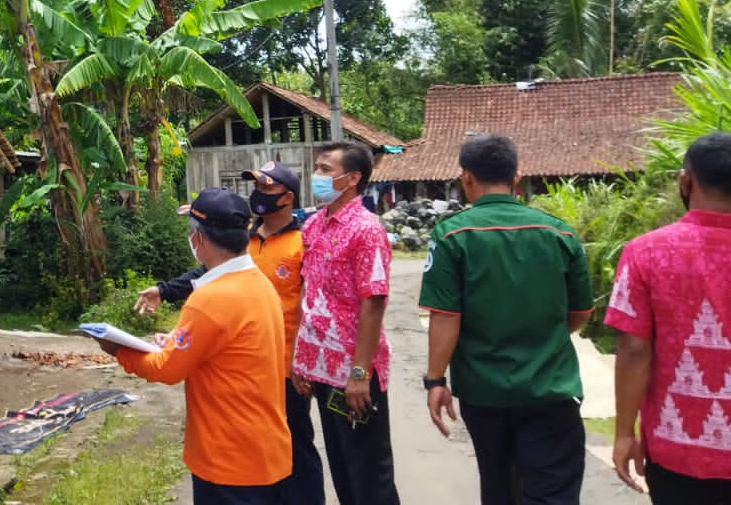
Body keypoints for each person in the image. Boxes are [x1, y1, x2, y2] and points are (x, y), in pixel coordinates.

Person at [419, 134, 593, 505]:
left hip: (485, 393)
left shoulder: (452, 235)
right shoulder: (560, 233)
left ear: (466, 177)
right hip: (552, 390)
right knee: (553, 494)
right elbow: (581, 311)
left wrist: (435, 379)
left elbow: (445, 315)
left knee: (499, 489)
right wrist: (546, 337)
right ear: (516, 177)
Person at [135, 162, 323, 505]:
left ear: (288, 196)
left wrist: (305, 360)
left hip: (285, 365)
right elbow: (206, 272)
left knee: (297, 446)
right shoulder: (245, 240)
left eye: (267, 189)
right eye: (257, 188)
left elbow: (313, 308)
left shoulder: (304, 243)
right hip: (239, 362)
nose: (258, 196)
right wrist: (165, 290)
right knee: (258, 449)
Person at [100, 188, 290, 503]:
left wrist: (118, 350)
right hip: (264, 447)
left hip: (228, 456)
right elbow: (229, 348)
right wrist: (176, 341)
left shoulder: (209, 298)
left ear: (199, 239)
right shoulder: (260, 284)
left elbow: (166, 370)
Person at [606, 131, 731, 501]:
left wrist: (624, 433)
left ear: (686, 180)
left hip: (678, 449)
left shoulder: (647, 253)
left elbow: (633, 349)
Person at [294, 141, 400, 505]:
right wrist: (301, 360)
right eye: (318, 168)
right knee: (341, 466)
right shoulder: (313, 226)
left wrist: (359, 374)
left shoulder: (366, 230)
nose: (317, 176)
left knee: (369, 474)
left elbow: (373, 303)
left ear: (353, 178)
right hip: (322, 373)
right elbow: (307, 296)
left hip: (352, 377)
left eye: (326, 169)